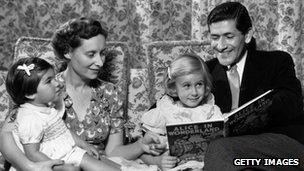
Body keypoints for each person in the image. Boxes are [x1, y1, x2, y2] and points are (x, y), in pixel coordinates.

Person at [0, 17, 163, 170]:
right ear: (67, 52)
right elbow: (7, 135)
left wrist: (141, 145)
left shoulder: (110, 93)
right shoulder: (44, 88)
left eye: (102, 53)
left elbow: (113, 152)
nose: (100, 62)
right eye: (91, 54)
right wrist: (30, 167)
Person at [204, 2, 304, 171]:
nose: (220, 46)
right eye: (214, 37)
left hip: (283, 150)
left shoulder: (277, 61)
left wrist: (255, 110)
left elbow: (293, 103)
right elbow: (164, 105)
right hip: (238, 157)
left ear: (248, 35)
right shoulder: (204, 71)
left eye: (229, 36)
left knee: (219, 148)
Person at [5, 57, 121, 171]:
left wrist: (84, 144)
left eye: (54, 78)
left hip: (68, 151)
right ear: (30, 94)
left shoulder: (48, 106)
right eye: (49, 81)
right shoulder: (29, 119)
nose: (58, 83)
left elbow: (63, 130)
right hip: (50, 160)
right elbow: (32, 154)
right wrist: (59, 167)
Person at [140, 53, 223, 170]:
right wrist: (157, 161)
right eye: (187, 85)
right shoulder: (165, 111)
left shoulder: (211, 110)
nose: (194, 92)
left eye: (199, 84)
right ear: (174, 87)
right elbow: (143, 153)